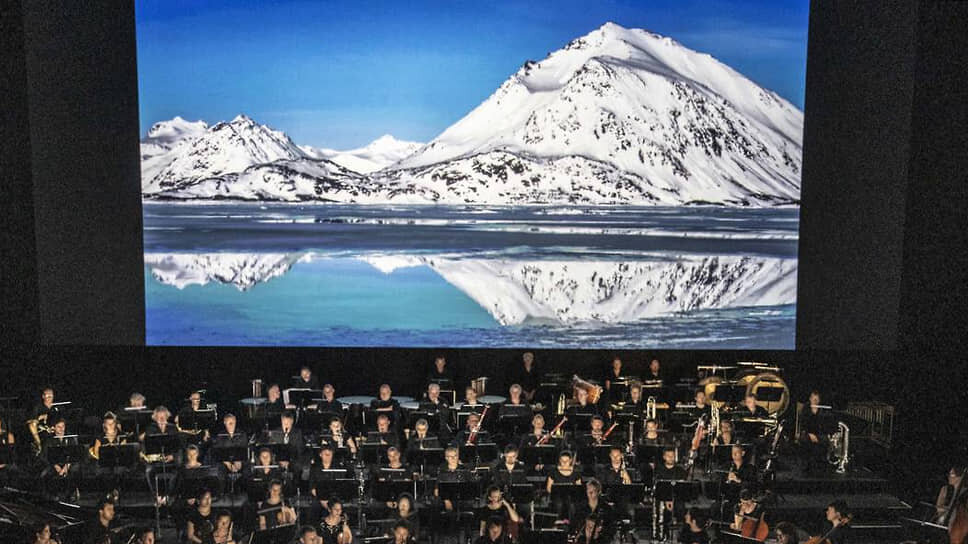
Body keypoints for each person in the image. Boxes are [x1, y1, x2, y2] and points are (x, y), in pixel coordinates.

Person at [546, 451, 581, 521]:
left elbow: (579, 487)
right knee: (559, 504)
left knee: (572, 505)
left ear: (570, 460)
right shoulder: (554, 472)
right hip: (557, 496)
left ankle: (573, 523)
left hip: (571, 496)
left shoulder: (576, 472)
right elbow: (548, 488)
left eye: (566, 461)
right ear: (559, 460)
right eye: (562, 461)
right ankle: (558, 523)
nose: (564, 463)